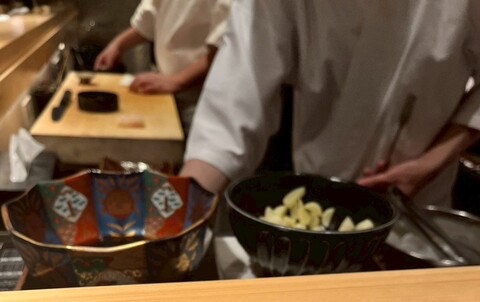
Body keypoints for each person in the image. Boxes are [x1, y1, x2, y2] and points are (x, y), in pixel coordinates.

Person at [181, 0, 480, 206]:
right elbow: (236, 91)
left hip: (416, 206)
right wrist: (187, 202)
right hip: (314, 195)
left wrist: (427, 166)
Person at [94, 0, 231, 133]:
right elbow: (148, 19)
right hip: (167, 93)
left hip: (201, 102)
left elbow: (226, 49)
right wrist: (118, 45)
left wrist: (177, 81)